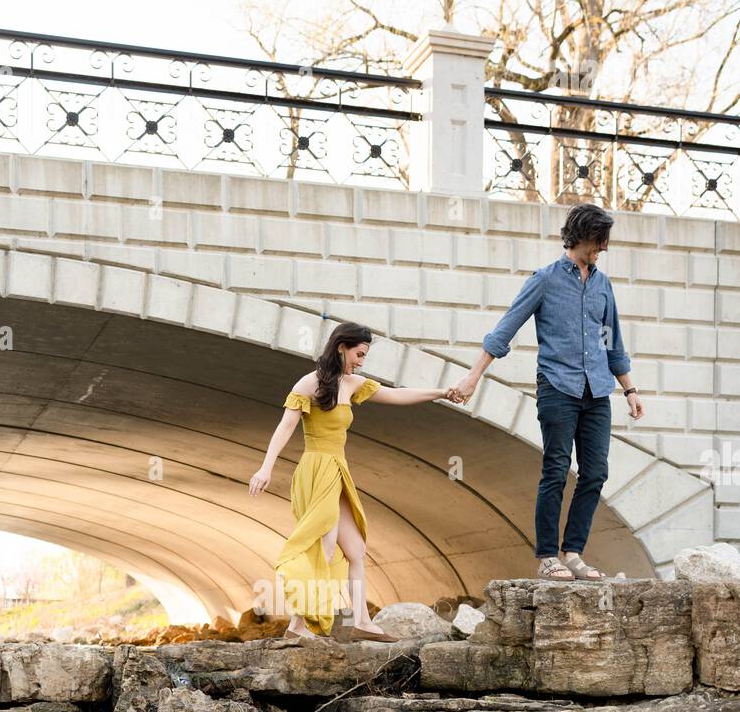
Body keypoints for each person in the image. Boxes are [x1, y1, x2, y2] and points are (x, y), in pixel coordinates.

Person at [447, 202, 645, 581]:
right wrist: (473, 377)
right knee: (556, 469)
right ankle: (547, 556)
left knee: (596, 472)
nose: (603, 248)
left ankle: (573, 552)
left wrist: (630, 390)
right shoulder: (545, 279)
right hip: (558, 387)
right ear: (583, 236)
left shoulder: (603, 285)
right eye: (599, 240)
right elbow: (505, 329)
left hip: (597, 390)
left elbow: (613, 343)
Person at [249, 321, 457, 641]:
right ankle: (299, 625)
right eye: (359, 354)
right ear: (341, 347)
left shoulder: (354, 383)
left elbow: (399, 396)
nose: (362, 360)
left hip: (338, 469)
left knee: (356, 549)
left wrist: (442, 392)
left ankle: (359, 621)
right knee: (326, 548)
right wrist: (265, 468)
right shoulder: (310, 383)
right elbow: (285, 426)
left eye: (365, 355)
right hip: (316, 470)